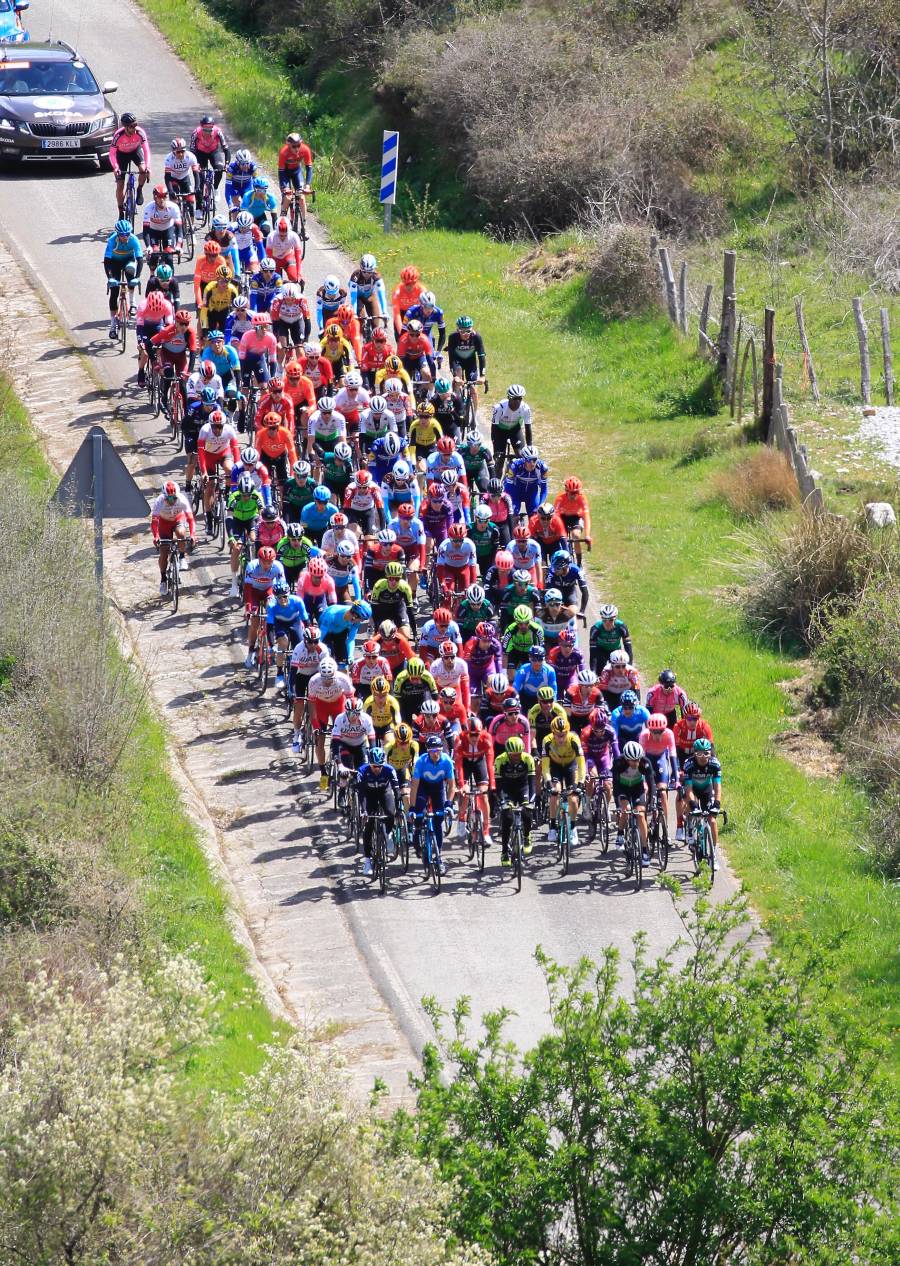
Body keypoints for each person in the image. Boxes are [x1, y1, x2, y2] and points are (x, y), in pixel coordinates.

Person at [409, 735, 456, 874]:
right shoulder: (421, 762)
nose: (436, 754)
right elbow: (414, 787)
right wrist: (412, 808)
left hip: (438, 788)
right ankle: (417, 832)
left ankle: (438, 857)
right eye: (432, 751)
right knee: (418, 815)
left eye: (438, 750)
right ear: (427, 751)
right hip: (423, 787)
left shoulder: (447, 761)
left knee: (438, 823)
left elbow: (452, 786)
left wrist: (449, 804)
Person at [308, 658, 355, 790]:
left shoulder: (343, 679)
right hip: (320, 706)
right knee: (320, 740)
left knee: (343, 739)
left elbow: (352, 702)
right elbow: (311, 705)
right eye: (325, 679)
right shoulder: (314, 681)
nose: (327, 682)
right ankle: (323, 773)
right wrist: (315, 725)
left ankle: (343, 768)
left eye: (330, 679)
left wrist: (350, 722)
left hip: (338, 706)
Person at [673, 701, 715, 841]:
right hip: (682, 756)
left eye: (695, 718)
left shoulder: (704, 727)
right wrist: (678, 770)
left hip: (699, 756)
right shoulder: (678, 727)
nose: (692, 722)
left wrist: (713, 768)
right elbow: (675, 751)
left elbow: (711, 751)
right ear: (685, 717)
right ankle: (679, 825)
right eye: (689, 718)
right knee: (681, 793)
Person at [542, 715, 585, 847]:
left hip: (571, 766)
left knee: (573, 798)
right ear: (553, 733)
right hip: (555, 767)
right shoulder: (547, 741)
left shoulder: (574, 739)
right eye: (558, 735)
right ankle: (553, 826)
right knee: (555, 793)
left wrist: (581, 783)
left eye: (564, 734)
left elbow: (581, 764)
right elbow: (545, 767)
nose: (561, 738)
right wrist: (548, 783)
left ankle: (572, 828)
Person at [452, 714, 495, 847]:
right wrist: (461, 785)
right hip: (464, 763)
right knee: (465, 793)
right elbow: (458, 766)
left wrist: (492, 784)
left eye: (477, 734)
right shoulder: (460, 740)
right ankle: (461, 818)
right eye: (472, 735)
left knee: (483, 795)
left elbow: (489, 763)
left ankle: (486, 832)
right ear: (466, 733)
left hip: (479, 762)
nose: (475, 738)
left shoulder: (486, 738)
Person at [494, 736, 536, 866]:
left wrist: (531, 800)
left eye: (518, 755)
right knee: (507, 818)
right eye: (513, 755)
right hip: (507, 790)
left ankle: (526, 836)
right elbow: (499, 785)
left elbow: (532, 782)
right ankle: (505, 851)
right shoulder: (500, 760)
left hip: (523, 788)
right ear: (507, 753)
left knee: (527, 813)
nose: (516, 757)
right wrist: (502, 802)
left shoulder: (528, 759)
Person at [612, 741, 656, 862]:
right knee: (626, 810)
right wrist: (618, 805)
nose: (635, 763)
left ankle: (645, 849)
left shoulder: (645, 762)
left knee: (641, 815)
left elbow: (652, 784)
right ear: (626, 758)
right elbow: (615, 786)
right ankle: (620, 833)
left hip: (637, 788)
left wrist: (652, 803)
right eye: (632, 760)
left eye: (637, 760)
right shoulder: (618, 763)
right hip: (623, 788)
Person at [357, 747, 399, 877]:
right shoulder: (362, 771)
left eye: (379, 766)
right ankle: (368, 860)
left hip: (384, 791)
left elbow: (396, 791)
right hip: (369, 796)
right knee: (368, 826)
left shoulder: (389, 770)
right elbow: (361, 794)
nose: (377, 769)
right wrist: (364, 811)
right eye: (374, 766)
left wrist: (399, 807)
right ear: (369, 763)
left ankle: (388, 833)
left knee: (390, 813)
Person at [243, 546, 286, 668]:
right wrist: (248, 608)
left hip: (269, 590)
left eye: (269, 562)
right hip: (254, 591)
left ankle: (271, 644)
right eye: (264, 562)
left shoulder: (278, 567)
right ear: (259, 560)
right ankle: (251, 651)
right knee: (255, 621)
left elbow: (282, 588)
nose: (267, 565)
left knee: (271, 612)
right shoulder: (252, 566)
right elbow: (248, 589)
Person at [150, 480, 195, 597]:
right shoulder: (159, 501)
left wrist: (193, 535)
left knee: (181, 533)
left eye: (173, 498)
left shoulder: (182, 499)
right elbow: (154, 522)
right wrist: (156, 536)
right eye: (168, 499)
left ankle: (181, 557)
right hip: (164, 523)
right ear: (164, 497)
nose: (171, 501)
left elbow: (190, 519)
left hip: (178, 520)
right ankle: (163, 579)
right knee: (164, 551)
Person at [681, 738, 723, 857]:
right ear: (694, 753)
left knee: (712, 820)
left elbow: (717, 786)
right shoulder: (689, 764)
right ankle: (690, 829)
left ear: (710, 753)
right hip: (693, 789)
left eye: (706, 753)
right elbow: (688, 788)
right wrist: (693, 805)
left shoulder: (715, 764)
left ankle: (713, 853)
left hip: (706, 790)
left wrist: (717, 804)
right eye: (699, 753)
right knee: (690, 805)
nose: (703, 756)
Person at [103, 219, 144, 338]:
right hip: (114, 263)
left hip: (128, 261)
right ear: (118, 234)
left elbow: (140, 259)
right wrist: (110, 278)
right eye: (122, 235)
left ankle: (132, 303)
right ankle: (112, 325)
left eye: (127, 234)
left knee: (130, 273)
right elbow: (107, 261)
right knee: (114, 291)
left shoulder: (134, 240)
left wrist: (137, 277)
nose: (125, 237)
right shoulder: (112, 240)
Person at [225, 474, 264, 597]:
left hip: (251, 519)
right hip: (237, 521)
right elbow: (229, 519)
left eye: (248, 495)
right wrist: (231, 537)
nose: (246, 497)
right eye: (243, 495)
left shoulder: (256, 496)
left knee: (253, 538)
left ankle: (254, 562)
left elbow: (262, 517)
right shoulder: (234, 498)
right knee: (236, 548)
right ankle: (234, 583)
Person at [265, 580, 310, 687]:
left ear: (289, 595)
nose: (282, 600)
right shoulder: (272, 606)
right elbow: (270, 628)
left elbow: (306, 621)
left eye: (285, 596)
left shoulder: (297, 601)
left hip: (295, 622)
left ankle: (298, 670)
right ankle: (279, 673)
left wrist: (309, 635)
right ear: (275, 597)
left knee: (300, 646)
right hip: (280, 624)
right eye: (279, 597)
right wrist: (271, 646)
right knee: (283, 644)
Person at [109, 112, 150, 216]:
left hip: (135, 151)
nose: (135, 128)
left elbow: (146, 150)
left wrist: (148, 166)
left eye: (136, 125)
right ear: (125, 127)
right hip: (121, 155)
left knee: (143, 169)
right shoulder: (118, 135)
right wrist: (116, 167)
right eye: (132, 126)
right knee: (120, 185)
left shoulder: (140, 133)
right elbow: (112, 154)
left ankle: (139, 189)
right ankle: (120, 211)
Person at [490, 384, 532, 475]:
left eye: (520, 399)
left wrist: (530, 447)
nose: (517, 402)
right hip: (500, 431)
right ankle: (496, 483)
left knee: (522, 456)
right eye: (515, 399)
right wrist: (496, 449)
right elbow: (494, 429)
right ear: (509, 398)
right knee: (499, 461)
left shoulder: (525, 408)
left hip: (515, 430)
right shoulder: (499, 408)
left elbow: (528, 428)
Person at [318, 599, 372, 665]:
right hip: (326, 633)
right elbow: (320, 639)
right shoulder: (331, 614)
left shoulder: (356, 621)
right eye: (361, 619)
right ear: (355, 615)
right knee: (328, 658)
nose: (360, 622)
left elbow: (351, 639)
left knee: (343, 661)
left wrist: (350, 656)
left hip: (340, 632)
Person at [142, 183, 183, 267]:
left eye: (164, 196)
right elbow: (146, 230)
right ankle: (152, 275)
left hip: (168, 230)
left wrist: (179, 246)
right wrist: (148, 246)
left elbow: (179, 229)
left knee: (169, 256)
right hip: (153, 231)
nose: (162, 200)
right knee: (154, 253)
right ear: (155, 198)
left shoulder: (174, 207)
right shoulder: (149, 208)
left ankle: (171, 278)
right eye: (159, 197)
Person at [553, 475, 592, 564]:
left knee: (576, 536)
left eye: (576, 493)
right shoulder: (560, 499)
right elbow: (555, 516)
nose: (574, 496)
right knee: (562, 538)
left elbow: (586, 516)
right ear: (566, 491)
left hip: (576, 517)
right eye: (571, 493)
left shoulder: (582, 498)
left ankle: (579, 564)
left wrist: (587, 535)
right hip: (562, 518)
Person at [191, 114, 230, 200]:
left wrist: (227, 164)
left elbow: (226, 148)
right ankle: (200, 205)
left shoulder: (218, 131)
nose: (208, 132)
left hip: (213, 152)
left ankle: (215, 188)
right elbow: (192, 150)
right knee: (200, 177)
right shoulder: (196, 133)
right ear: (201, 127)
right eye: (205, 129)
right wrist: (195, 164)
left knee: (219, 168)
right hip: (200, 153)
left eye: (210, 130)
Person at [277, 131, 314, 223]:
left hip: (296, 172)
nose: (297, 148)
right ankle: (282, 218)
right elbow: (281, 172)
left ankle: (304, 225)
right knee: (288, 197)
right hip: (285, 173)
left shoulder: (305, 149)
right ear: (289, 145)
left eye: (298, 145)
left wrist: (308, 186)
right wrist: (284, 188)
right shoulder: (283, 152)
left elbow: (309, 168)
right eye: (294, 146)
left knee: (301, 197)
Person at [589, 604, 634, 673]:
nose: (607, 623)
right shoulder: (596, 628)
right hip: (600, 650)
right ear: (601, 618)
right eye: (604, 620)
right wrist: (593, 671)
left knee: (618, 672)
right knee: (599, 672)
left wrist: (629, 666)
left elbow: (628, 648)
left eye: (611, 620)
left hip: (615, 650)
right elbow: (593, 653)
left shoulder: (621, 626)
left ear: (615, 618)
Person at [349, 254, 389, 329]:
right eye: (364, 272)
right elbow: (353, 297)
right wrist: (354, 313)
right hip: (358, 298)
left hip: (370, 297)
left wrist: (384, 312)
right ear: (361, 269)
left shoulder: (377, 277)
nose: (366, 274)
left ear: (373, 270)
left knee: (376, 326)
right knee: (361, 321)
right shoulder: (355, 277)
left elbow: (381, 296)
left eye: (369, 272)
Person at [446, 314, 486, 385]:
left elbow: (481, 356)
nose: (466, 334)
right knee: (458, 382)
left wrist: (482, 376)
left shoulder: (477, 337)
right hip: (457, 361)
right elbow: (451, 358)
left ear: (472, 329)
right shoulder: (453, 337)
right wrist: (455, 376)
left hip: (470, 362)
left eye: (468, 331)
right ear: (458, 330)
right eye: (462, 331)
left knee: (473, 387)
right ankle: (456, 394)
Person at [164, 137, 199, 210]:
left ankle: (190, 219)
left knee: (191, 201)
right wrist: (170, 190)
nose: (180, 154)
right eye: (178, 152)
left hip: (185, 178)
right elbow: (167, 177)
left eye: (182, 151)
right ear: (173, 152)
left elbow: (196, 174)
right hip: (173, 179)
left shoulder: (191, 156)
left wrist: (197, 187)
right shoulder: (168, 159)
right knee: (174, 203)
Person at [225, 147, 258, 215]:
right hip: (235, 186)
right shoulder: (231, 168)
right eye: (243, 163)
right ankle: (235, 223)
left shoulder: (253, 167)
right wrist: (230, 204)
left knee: (250, 206)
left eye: (247, 163)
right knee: (236, 206)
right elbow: (227, 189)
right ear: (238, 162)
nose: (246, 166)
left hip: (247, 186)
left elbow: (256, 184)